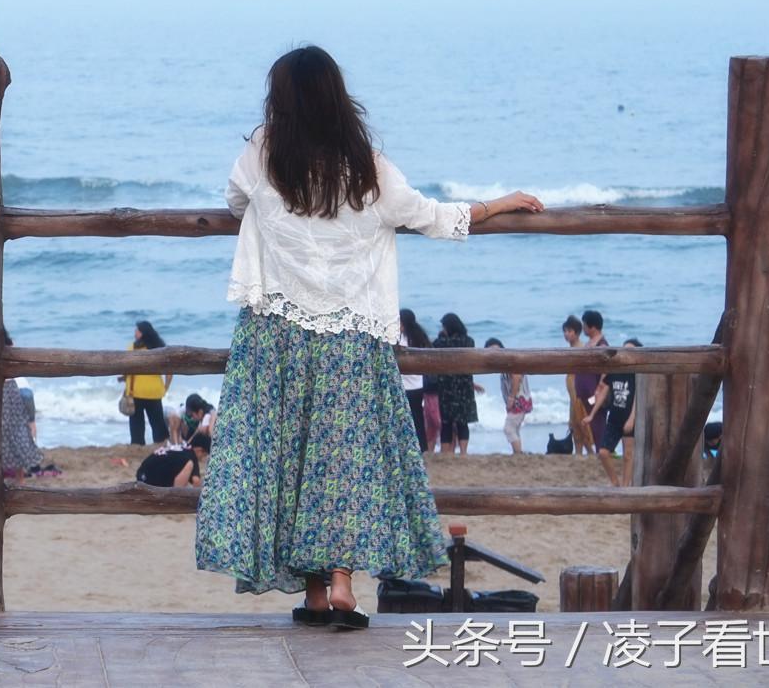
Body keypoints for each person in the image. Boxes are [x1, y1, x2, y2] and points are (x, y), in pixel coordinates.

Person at [195, 46, 543, 631]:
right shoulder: (367, 167)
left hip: (276, 336)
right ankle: (339, 585)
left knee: (288, 460)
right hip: (351, 339)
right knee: (343, 462)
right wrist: (498, 204)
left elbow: (235, 200)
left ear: (281, 100)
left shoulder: (264, 153)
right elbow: (430, 216)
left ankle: (311, 593)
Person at [0, 329, 59, 477]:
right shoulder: (11, 346)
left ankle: (27, 468)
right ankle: (31, 466)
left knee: (8, 433)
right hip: (21, 390)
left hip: (9, 392)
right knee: (26, 429)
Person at [590, 338, 641, 487]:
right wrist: (592, 414)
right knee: (603, 453)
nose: (626, 353)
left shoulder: (637, 374)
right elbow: (604, 392)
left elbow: (638, 397)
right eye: (624, 349)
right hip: (614, 418)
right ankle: (615, 483)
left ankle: (625, 487)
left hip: (630, 418)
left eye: (630, 350)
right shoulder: (615, 371)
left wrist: (632, 419)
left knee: (628, 455)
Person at [429, 314, 482, 455]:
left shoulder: (441, 342)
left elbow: (433, 348)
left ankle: (446, 453)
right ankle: (463, 452)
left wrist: (440, 337)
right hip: (464, 385)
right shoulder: (469, 341)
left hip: (446, 386)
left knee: (446, 422)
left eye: (444, 327)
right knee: (462, 422)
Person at [125, 320, 172, 445]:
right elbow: (169, 372)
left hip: (136, 392)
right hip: (155, 392)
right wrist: (165, 387)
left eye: (137, 331)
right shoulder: (160, 348)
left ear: (142, 333)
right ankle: (161, 446)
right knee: (157, 423)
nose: (135, 333)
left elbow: (126, 369)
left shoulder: (133, 348)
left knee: (136, 425)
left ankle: (138, 447)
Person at [486, 338, 530, 455]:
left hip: (519, 400)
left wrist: (511, 398)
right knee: (514, 428)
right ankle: (517, 453)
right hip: (518, 400)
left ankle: (518, 453)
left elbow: (517, 377)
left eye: (497, 350)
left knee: (509, 429)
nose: (495, 354)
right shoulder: (503, 365)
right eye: (491, 352)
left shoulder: (509, 362)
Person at [398, 311, 433, 453]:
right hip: (418, 385)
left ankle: (408, 448)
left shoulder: (401, 340)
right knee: (418, 418)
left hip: (404, 385)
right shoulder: (419, 338)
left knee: (404, 418)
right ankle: (422, 448)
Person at [562, 316, 597, 456]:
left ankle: (590, 454)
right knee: (575, 426)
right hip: (573, 395)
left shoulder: (581, 349)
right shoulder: (571, 349)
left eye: (569, 331)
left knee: (581, 425)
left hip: (580, 395)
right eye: (565, 331)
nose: (566, 334)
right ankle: (579, 455)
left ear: (576, 332)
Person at [579, 311, 612, 455]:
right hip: (586, 394)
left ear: (592, 326)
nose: (583, 327)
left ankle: (603, 452)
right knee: (591, 426)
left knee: (599, 425)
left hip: (595, 394)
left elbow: (605, 373)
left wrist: (599, 389)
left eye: (584, 324)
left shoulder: (602, 344)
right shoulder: (589, 343)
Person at [138, 429, 210, 488]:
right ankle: (176, 497)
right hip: (149, 484)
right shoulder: (191, 456)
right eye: (204, 455)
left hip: (141, 475)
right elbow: (196, 482)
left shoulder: (182, 447)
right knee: (189, 464)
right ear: (200, 450)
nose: (202, 458)